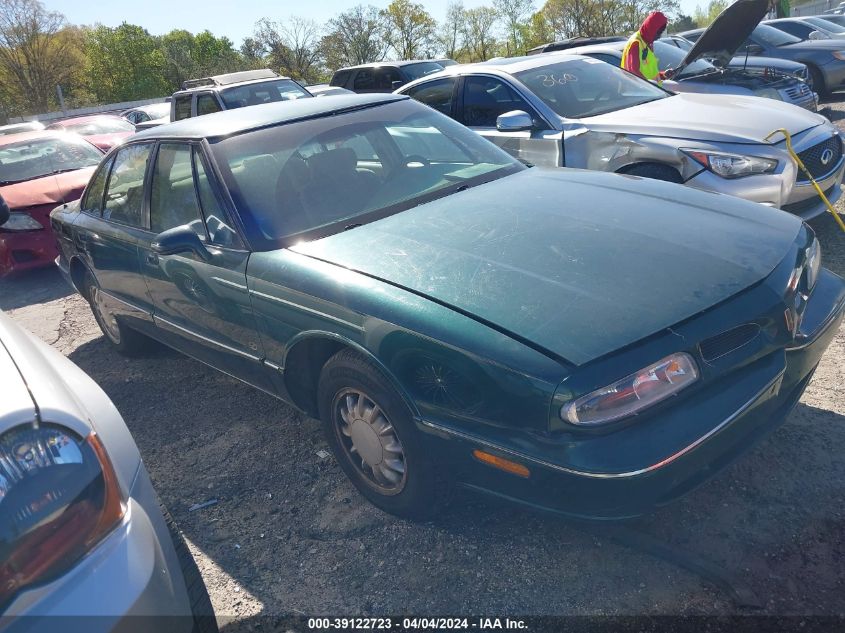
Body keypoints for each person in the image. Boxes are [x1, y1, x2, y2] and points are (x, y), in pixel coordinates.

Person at [621, 11, 674, 84]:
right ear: (651, 29)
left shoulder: (646, 42)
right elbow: (633, 73)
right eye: (658, 32)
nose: (659, 36)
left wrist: (663, 75)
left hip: (651, 92)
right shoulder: (635, 43)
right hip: (639, 93)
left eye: (661, 33)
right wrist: (650, 87)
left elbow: (650, 74)